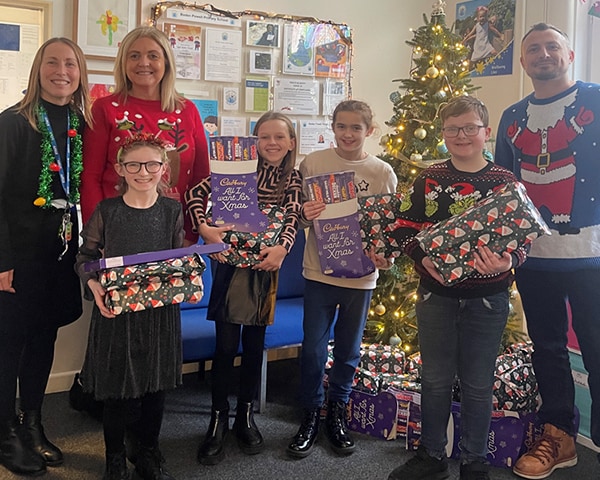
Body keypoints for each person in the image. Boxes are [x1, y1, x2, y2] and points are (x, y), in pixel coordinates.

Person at [386, 96, 528, 480]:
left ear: (486, 132)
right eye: (452, 129)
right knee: (434, 380)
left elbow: (524, 237)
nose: (461, 135)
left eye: (469, 128)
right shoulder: (429, 178)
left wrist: (509, 262)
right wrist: (422, 258)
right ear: (443, 133)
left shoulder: (505, 183)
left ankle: (474, 461)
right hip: (436, 296)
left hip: (488, 298)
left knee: (478, 384)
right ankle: (432, 456)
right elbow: (403, 227)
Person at [495, 23, 600, 479]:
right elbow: (503, 186)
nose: (543, 54)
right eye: (533, 48)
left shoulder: (596, 100)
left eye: (552, 46)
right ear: (523, 61)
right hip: (534, 257)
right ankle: (559, 435)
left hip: (593, 254)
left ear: (569, 55)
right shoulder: (512, 117)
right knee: (548, 347)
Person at [185, 112, 303, 465]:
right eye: (264, 136)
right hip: (229, 265)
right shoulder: (235, 168)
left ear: (291, 143)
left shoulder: (292, 177)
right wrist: (204, 230)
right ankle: (217, 418)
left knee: (253, 346)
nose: (272, 143)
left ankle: (245, 416)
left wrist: (283, 249)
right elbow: (195, 193)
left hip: (266, 267)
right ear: (254, 141)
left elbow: (293, 215)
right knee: (225, 346)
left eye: (279, 137)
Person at [0, 37, 91, 476]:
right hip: (17, 255)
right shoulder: (13, 123)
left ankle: (31, 422)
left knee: (43, 338)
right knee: (9, 343)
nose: (61, 71)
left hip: (59, 251)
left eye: (70, 64)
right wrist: (1, 260)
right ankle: (4, 432)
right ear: (38, 69)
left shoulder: (81, 123)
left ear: (80, 73)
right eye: (52, 62)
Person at [287, 100, 397, 458]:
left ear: (369, 130)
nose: (348, 134)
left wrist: (386, 257)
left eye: (356, 128)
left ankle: (337, 412)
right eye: (342, 126)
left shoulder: (381, 172)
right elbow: (297, 217)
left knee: (349, 349)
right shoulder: (313, 163)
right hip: (319, 272)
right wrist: (305, 213)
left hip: (360, 277)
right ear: (332, 127)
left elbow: (388, 228)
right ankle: (310, 413)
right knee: (313, 348)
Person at [76, 133, 186, 480]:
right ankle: (115, 458)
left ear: (164, 168)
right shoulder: (107, 211)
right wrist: (93, 285)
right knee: (117, 391)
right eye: (134, 165)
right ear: (120, 168)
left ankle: (148, 452)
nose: (143, 172)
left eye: (152, 164)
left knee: (156, 387)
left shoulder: (172, 210)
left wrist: (186, 281)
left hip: (158, 314)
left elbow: (175, 262)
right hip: (117, 314)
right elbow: (85, 257)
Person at [80, 26, 209, 246]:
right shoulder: (104, 108)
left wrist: (190, 231)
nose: (144, 63)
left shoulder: (188, 110)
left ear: (166, 62)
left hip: (174, 234)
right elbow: (90, 178)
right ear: (123, 62)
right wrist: (98, 237)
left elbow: (201, 179)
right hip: (118, 234)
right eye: (134, 56)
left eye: (153, 56)